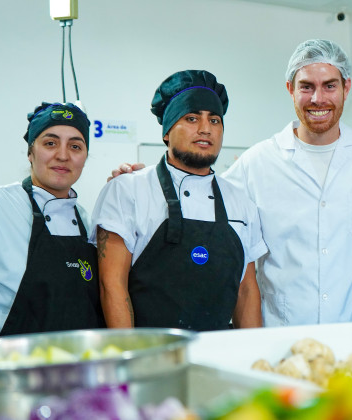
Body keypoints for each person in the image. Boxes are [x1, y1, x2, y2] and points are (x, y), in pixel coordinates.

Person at [222, 39, 352, 326]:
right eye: (306, 86)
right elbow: (202, 199)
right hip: (284, 333)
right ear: (290, 89)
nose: (317, 99)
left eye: (329, 86)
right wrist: (139, 178)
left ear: (346, 88)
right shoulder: (258, 162)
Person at [90, 70, 266, 331]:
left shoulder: (240, 200)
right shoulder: (128, 189)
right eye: (192, 118)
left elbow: (247, 291)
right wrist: (131, 360)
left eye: (215, 120)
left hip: (219, 357)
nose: (205, 129)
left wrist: (253, 358)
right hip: (150, 356)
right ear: (166, 132)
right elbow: (112, 286)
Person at [0, 102, 105, 342]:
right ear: (31, 153)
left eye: (75, 146)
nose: (63, 155)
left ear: (84, 157)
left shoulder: (84, 219)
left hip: (73, 371)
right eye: (50, 143)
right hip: (1, 373)